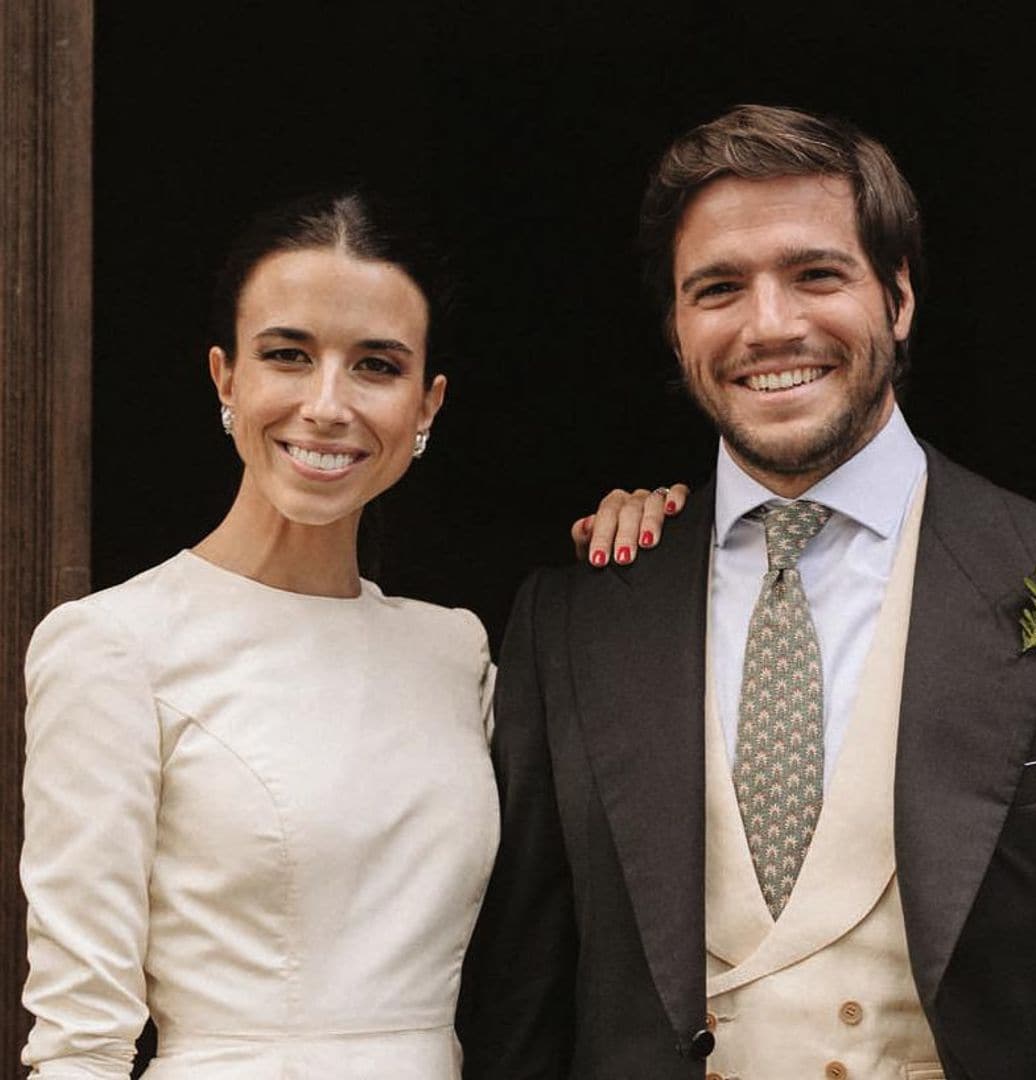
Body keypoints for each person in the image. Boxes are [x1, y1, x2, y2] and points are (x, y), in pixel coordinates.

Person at [458, 105, 1036, 1079]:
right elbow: (521, 999)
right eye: (718, 288)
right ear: (674, 328)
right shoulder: (577, 616)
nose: (771, 324)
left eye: (816, 274)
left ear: (900, 297)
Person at [19, 189, 664, 1079]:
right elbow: (79, 1043)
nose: (327, 405)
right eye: (288, 355)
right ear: (225, 378)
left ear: (427, 404)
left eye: (375, 366)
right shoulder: (112, 644)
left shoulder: (453, 650)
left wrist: (668, 555)